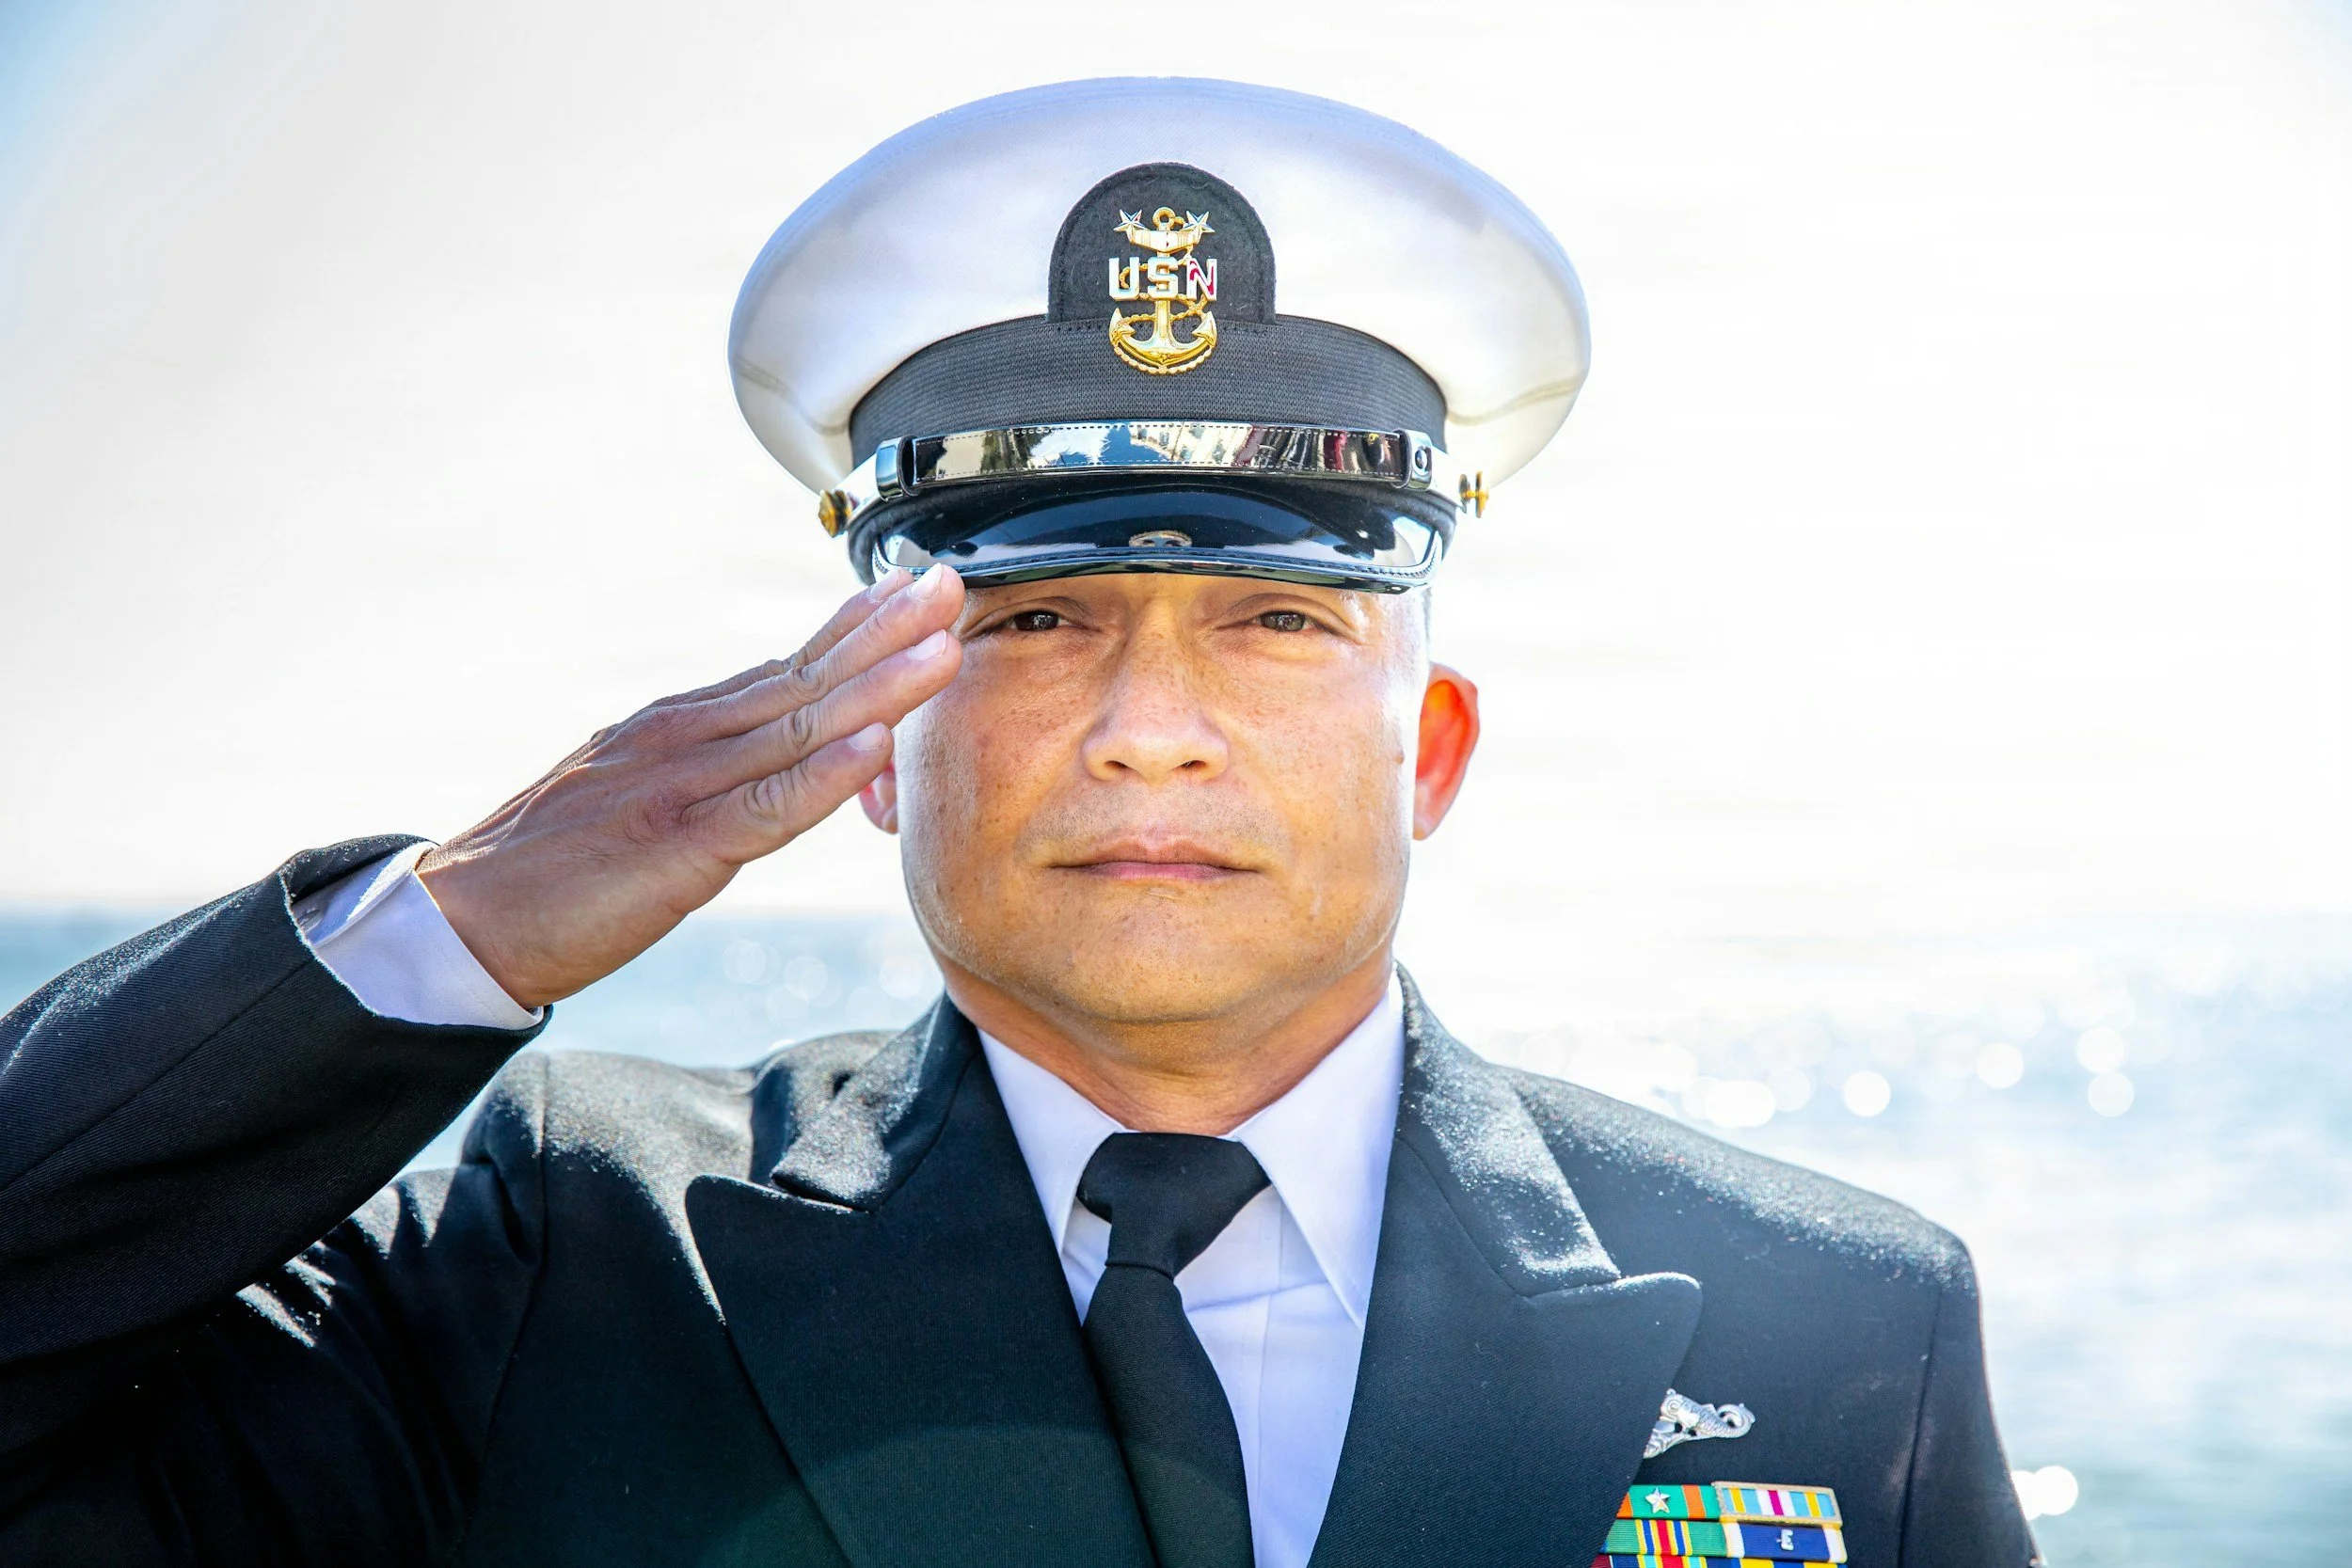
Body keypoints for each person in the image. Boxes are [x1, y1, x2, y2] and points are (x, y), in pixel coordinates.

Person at [0, 79, 2037, 1567]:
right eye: (1037, 617)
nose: (1150, 729)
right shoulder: (562, 1243)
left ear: (1430, 744)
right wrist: (446, 930)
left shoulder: (1843, 1315)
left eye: (1271, 618)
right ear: (876, 739)